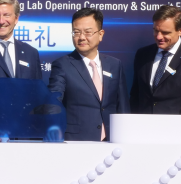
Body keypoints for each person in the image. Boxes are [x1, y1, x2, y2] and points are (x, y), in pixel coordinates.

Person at [48, 8, 129, 141]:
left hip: (112, 140)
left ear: (101, 34)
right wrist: (53, 128)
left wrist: (125, 136)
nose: (81, 37)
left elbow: (123, 106)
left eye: (88, 32)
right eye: (76, 32)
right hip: (78, 141)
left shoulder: (115, 65)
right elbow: (53, 101)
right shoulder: (62, 65)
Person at [130, 5, 181, 115]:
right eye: (156, 31)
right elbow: (135, 94)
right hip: (144, 123)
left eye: (165, 32)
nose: (159, 37)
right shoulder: (143, 54)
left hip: (176, 124)